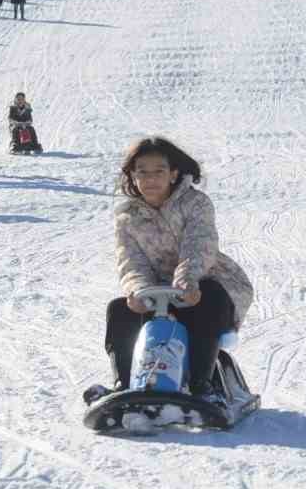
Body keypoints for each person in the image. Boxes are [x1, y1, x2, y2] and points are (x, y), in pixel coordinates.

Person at [101, 136, 254, 403]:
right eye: (142, 172)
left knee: (208, 296)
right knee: (119, 309)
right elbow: (130, 261)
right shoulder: (127, 217)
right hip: (157, 292)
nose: (150, 179)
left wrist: (187, 282)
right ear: (132, 177)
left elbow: (200, 245)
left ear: (173, 174)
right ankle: (124, 386)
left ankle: (201, 386)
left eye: (159, 171)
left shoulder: (195, 203)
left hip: (205, 282)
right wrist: (138, 291)